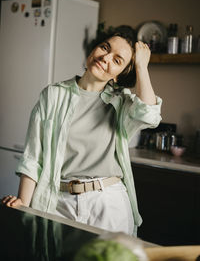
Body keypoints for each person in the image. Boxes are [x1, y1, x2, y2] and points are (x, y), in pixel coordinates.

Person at [2, 26, 162, 236]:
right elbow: (33, 157)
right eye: (104, 48)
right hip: (59, 201)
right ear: (93, 50)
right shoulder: (53, 95)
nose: (105, 58)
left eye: (117, 60)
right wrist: (23, 203)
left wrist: (141, 66)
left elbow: (149, 115)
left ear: (119, 75)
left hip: (108, 204)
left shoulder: (121, 102)